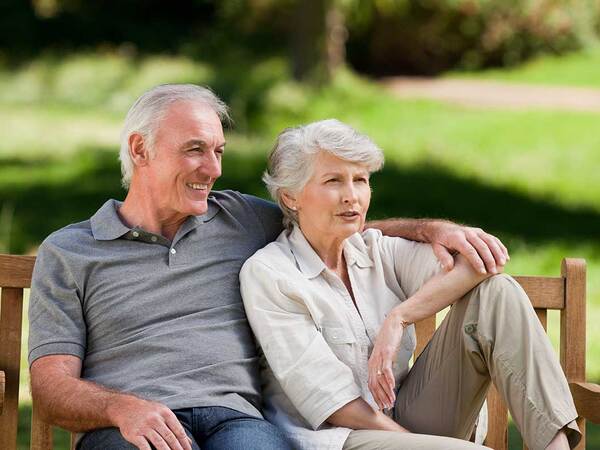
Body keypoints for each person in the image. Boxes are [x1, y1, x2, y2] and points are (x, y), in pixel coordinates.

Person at [29, 84, 508, 450]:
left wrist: (431, 230)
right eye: (195, 149)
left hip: (235, 421)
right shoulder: (71, 252)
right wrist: (120, 408)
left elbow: (331, 218)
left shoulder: (239, 218)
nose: (213, 169)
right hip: (131, 426)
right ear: (140, 150)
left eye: (218, 151)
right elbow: (51, 389)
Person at [239, 119, 581, 450]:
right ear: (290, 198)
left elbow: (479, 265)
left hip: (408, 419)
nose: (352, 196)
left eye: (360, 180)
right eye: (333, 181)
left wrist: (399, 317)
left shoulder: (376, 250)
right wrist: (417, 445)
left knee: (498, 292)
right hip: (342, 437)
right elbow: (338, 406)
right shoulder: (271, 275)